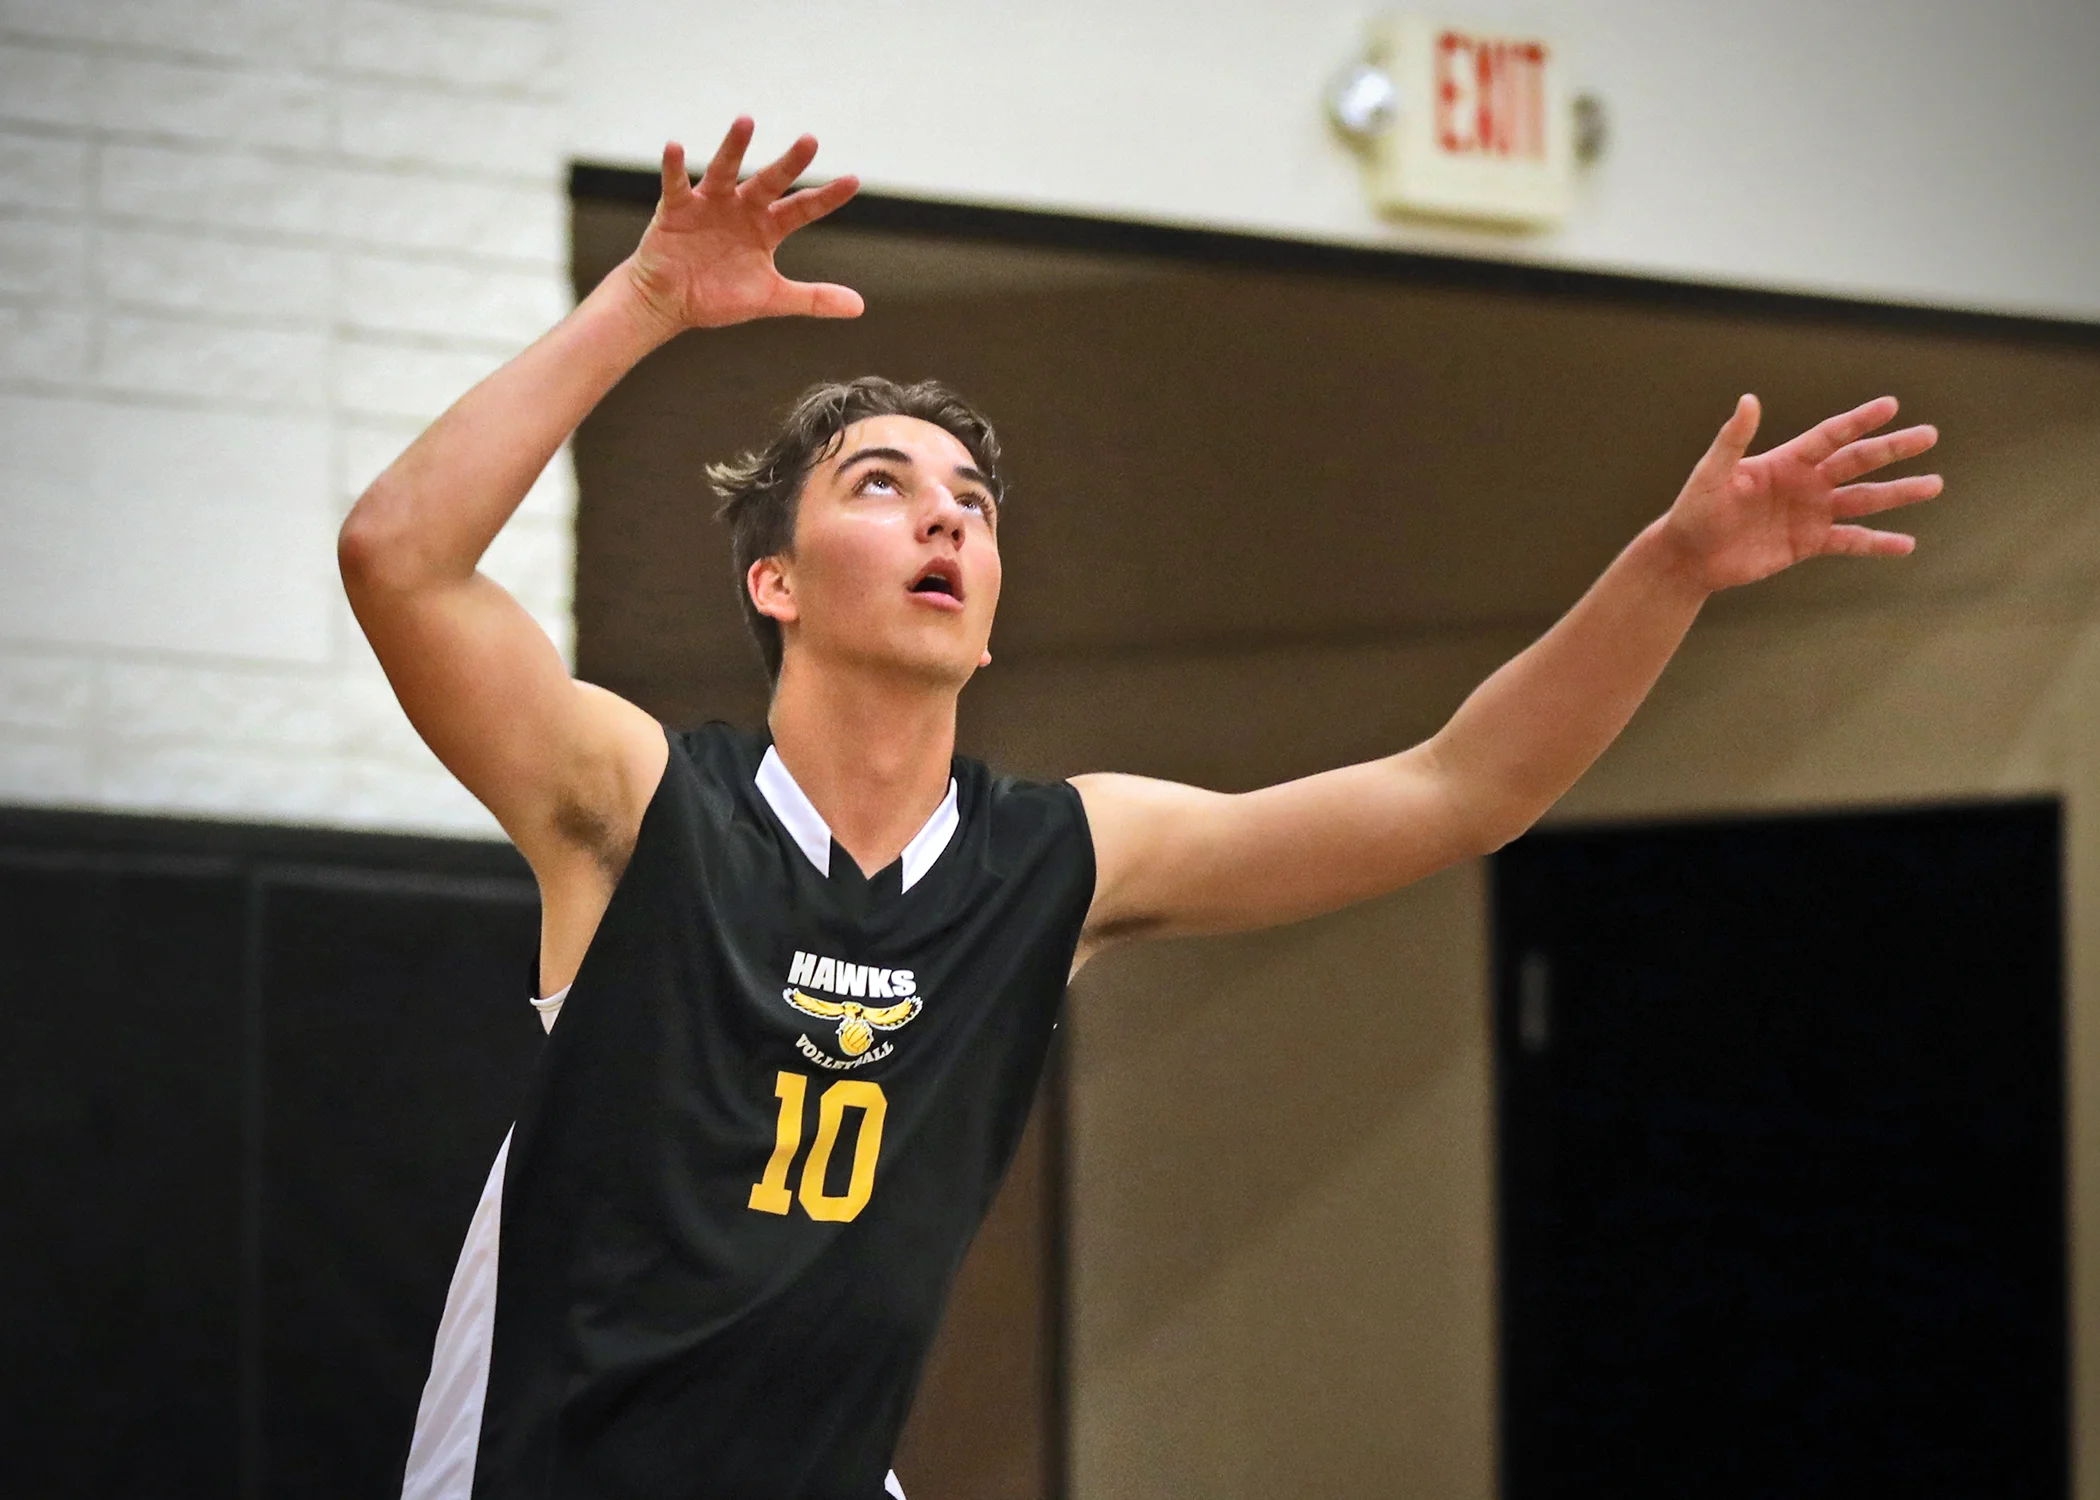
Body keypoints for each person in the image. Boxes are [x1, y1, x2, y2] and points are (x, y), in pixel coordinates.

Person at [338, 118, 1942, 1500]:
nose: (943, 518)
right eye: (880, 485)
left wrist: (1671, 569)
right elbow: (398, 556)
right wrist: (639, 302)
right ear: (777, 583)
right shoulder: (638, 807)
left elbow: (1461, 789)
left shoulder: (1063, 857)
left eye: (972, 502)